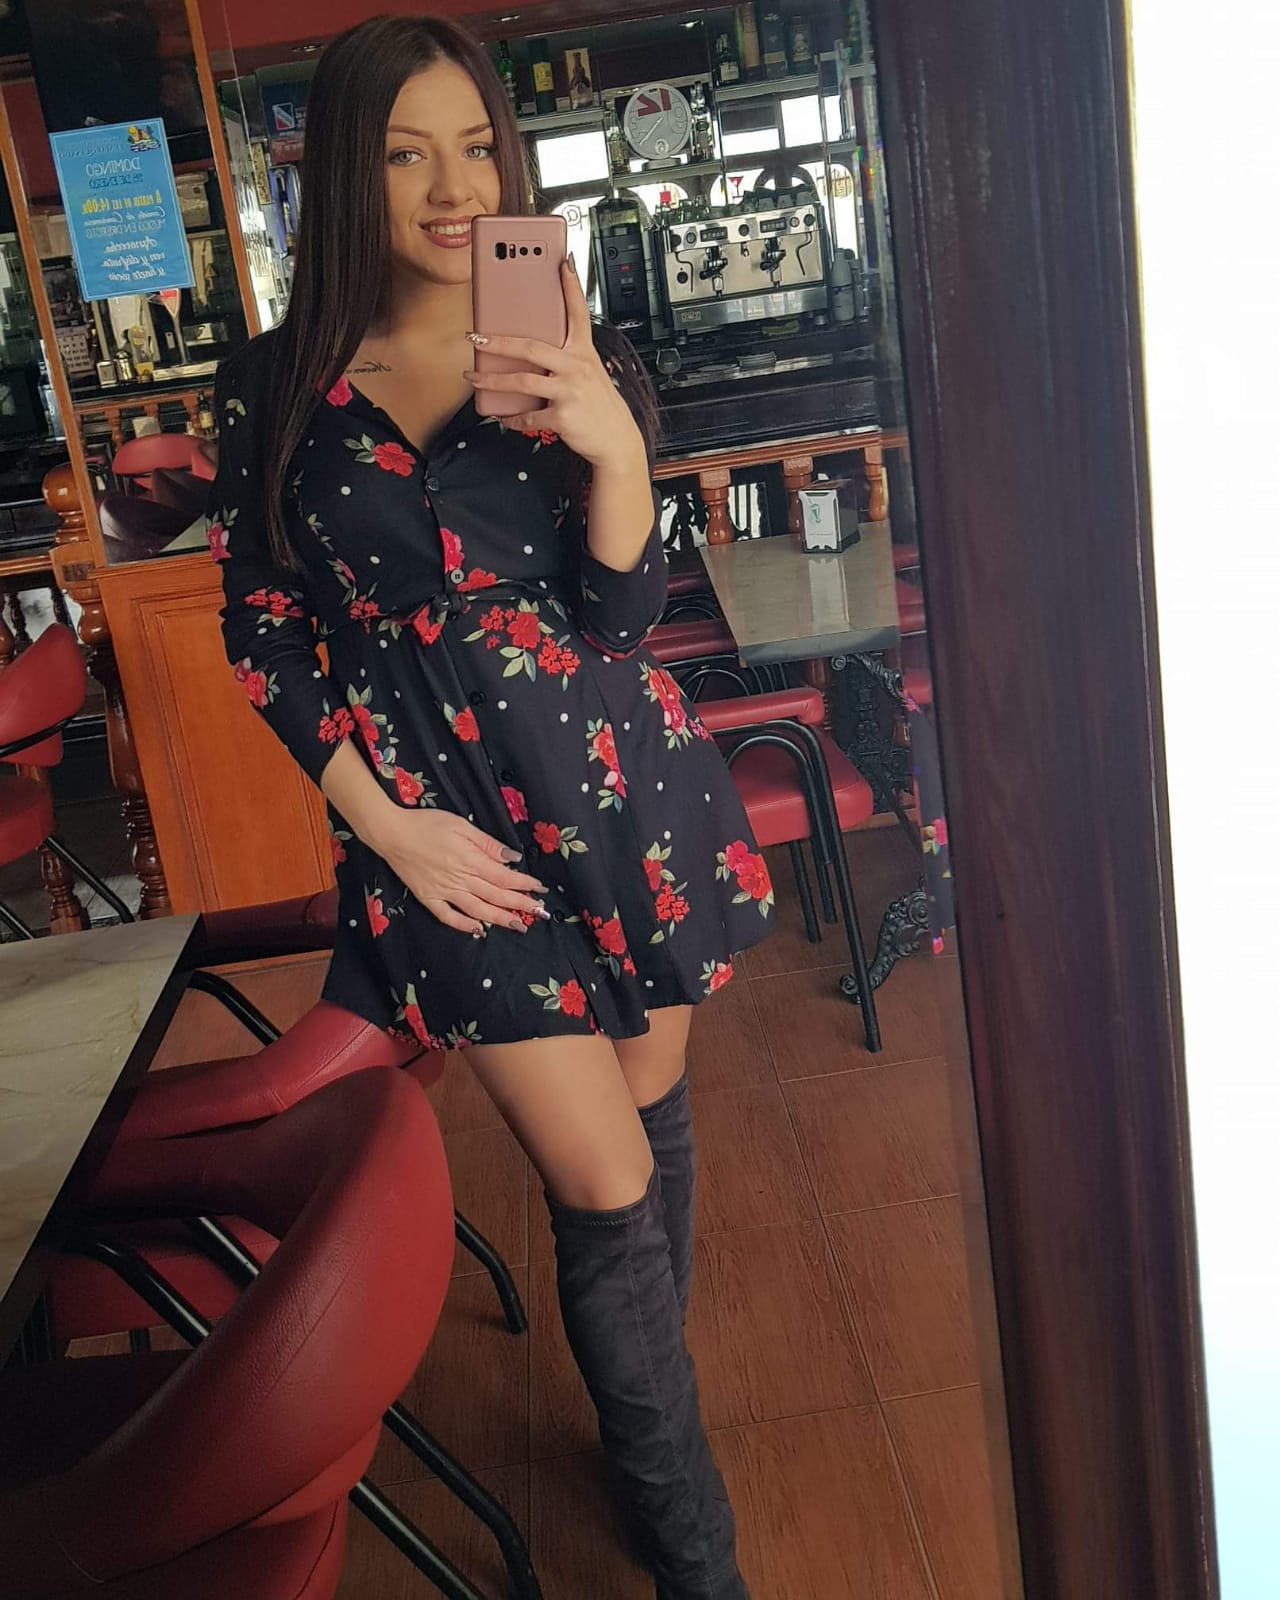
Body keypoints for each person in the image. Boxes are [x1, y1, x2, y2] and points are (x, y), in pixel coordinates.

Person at [211, 16, 773, 1598]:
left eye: (476, 147)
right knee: (602, 1184)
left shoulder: (557, 335)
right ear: (347, 172)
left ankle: (649, 1404)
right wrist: (383, 828)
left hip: (618, 797)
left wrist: (612, 444)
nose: (454, 187)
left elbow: (618, 617)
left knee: (649, 1121)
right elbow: (262, 628)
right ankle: (699, 1558)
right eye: (407, 153)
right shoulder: (278, 383)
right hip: (447, 842)